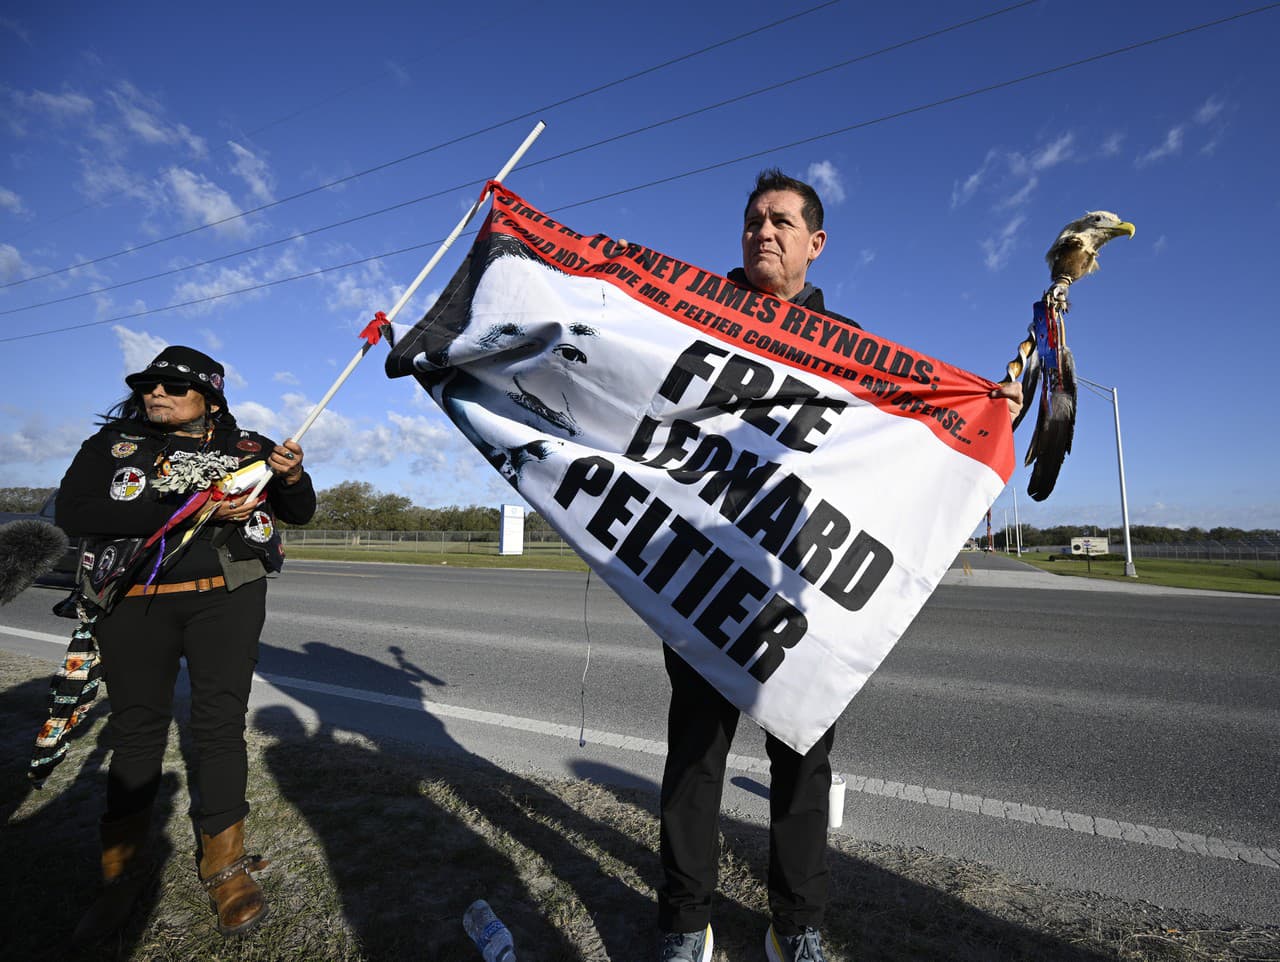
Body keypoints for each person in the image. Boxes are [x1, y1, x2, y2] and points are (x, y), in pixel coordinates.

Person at [657, 170, 1022, 962]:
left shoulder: (848, 346)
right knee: (695, 754)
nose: (764, 230)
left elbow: (913, 419)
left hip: (803, 587)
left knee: (802, 759)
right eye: (754, 219)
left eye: (783, 221)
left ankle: (797, 928)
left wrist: (985, 406)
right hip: (703, 571)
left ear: (814, 245)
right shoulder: (692, 315)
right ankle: (686, 925)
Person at [56, 345, 316, 943]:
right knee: (138, 729)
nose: (156, 395)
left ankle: (224, 865)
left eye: (172, 387)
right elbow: (73, 509)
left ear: (210, 396)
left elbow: (299, 512)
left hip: (225, 599)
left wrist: (294, 476)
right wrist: (187, 502)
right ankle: (120, 874)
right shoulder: (113, 445)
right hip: (131, 602)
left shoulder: (249, 448)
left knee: (219, 725)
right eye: (150, 387)